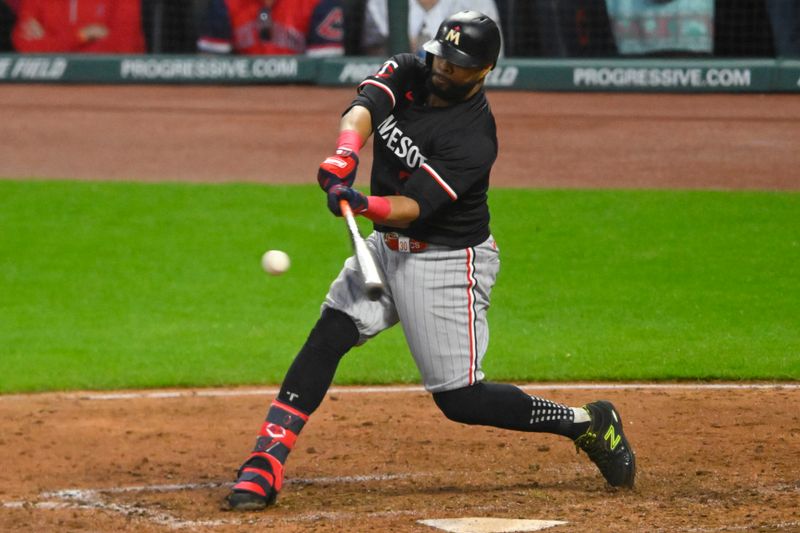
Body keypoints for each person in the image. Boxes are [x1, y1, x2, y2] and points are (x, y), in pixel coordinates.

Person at [224, 10, 636, 511]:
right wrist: (344, 155)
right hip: (386, 249)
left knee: (460, 399)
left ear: (485, 71)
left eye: (459, 64)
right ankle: (267, 457)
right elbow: (363, 108)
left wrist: (362, 204)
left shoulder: (473, 137)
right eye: (442, 55)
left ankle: (587, 423)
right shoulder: (410, 70)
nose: (444, 68)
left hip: (444, 261)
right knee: (330, 333)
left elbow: (412, 208)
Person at [196, 0, 344, 56]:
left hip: (301, 93)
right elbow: (210, 65)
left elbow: (326, 67)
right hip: (240, 92)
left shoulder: (320, 3)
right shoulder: (225, 4)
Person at [361, 0, 502, 57]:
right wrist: (395, 47)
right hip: (402, 84)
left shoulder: (478, 2)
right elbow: (372, 55)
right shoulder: (379, 2)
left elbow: (492, 56)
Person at [11, 0, 145, 53]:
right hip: (47, 87)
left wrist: (51, 44)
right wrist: (83, 36)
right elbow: (24, 44)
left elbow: (125, 46)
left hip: (112, 85)